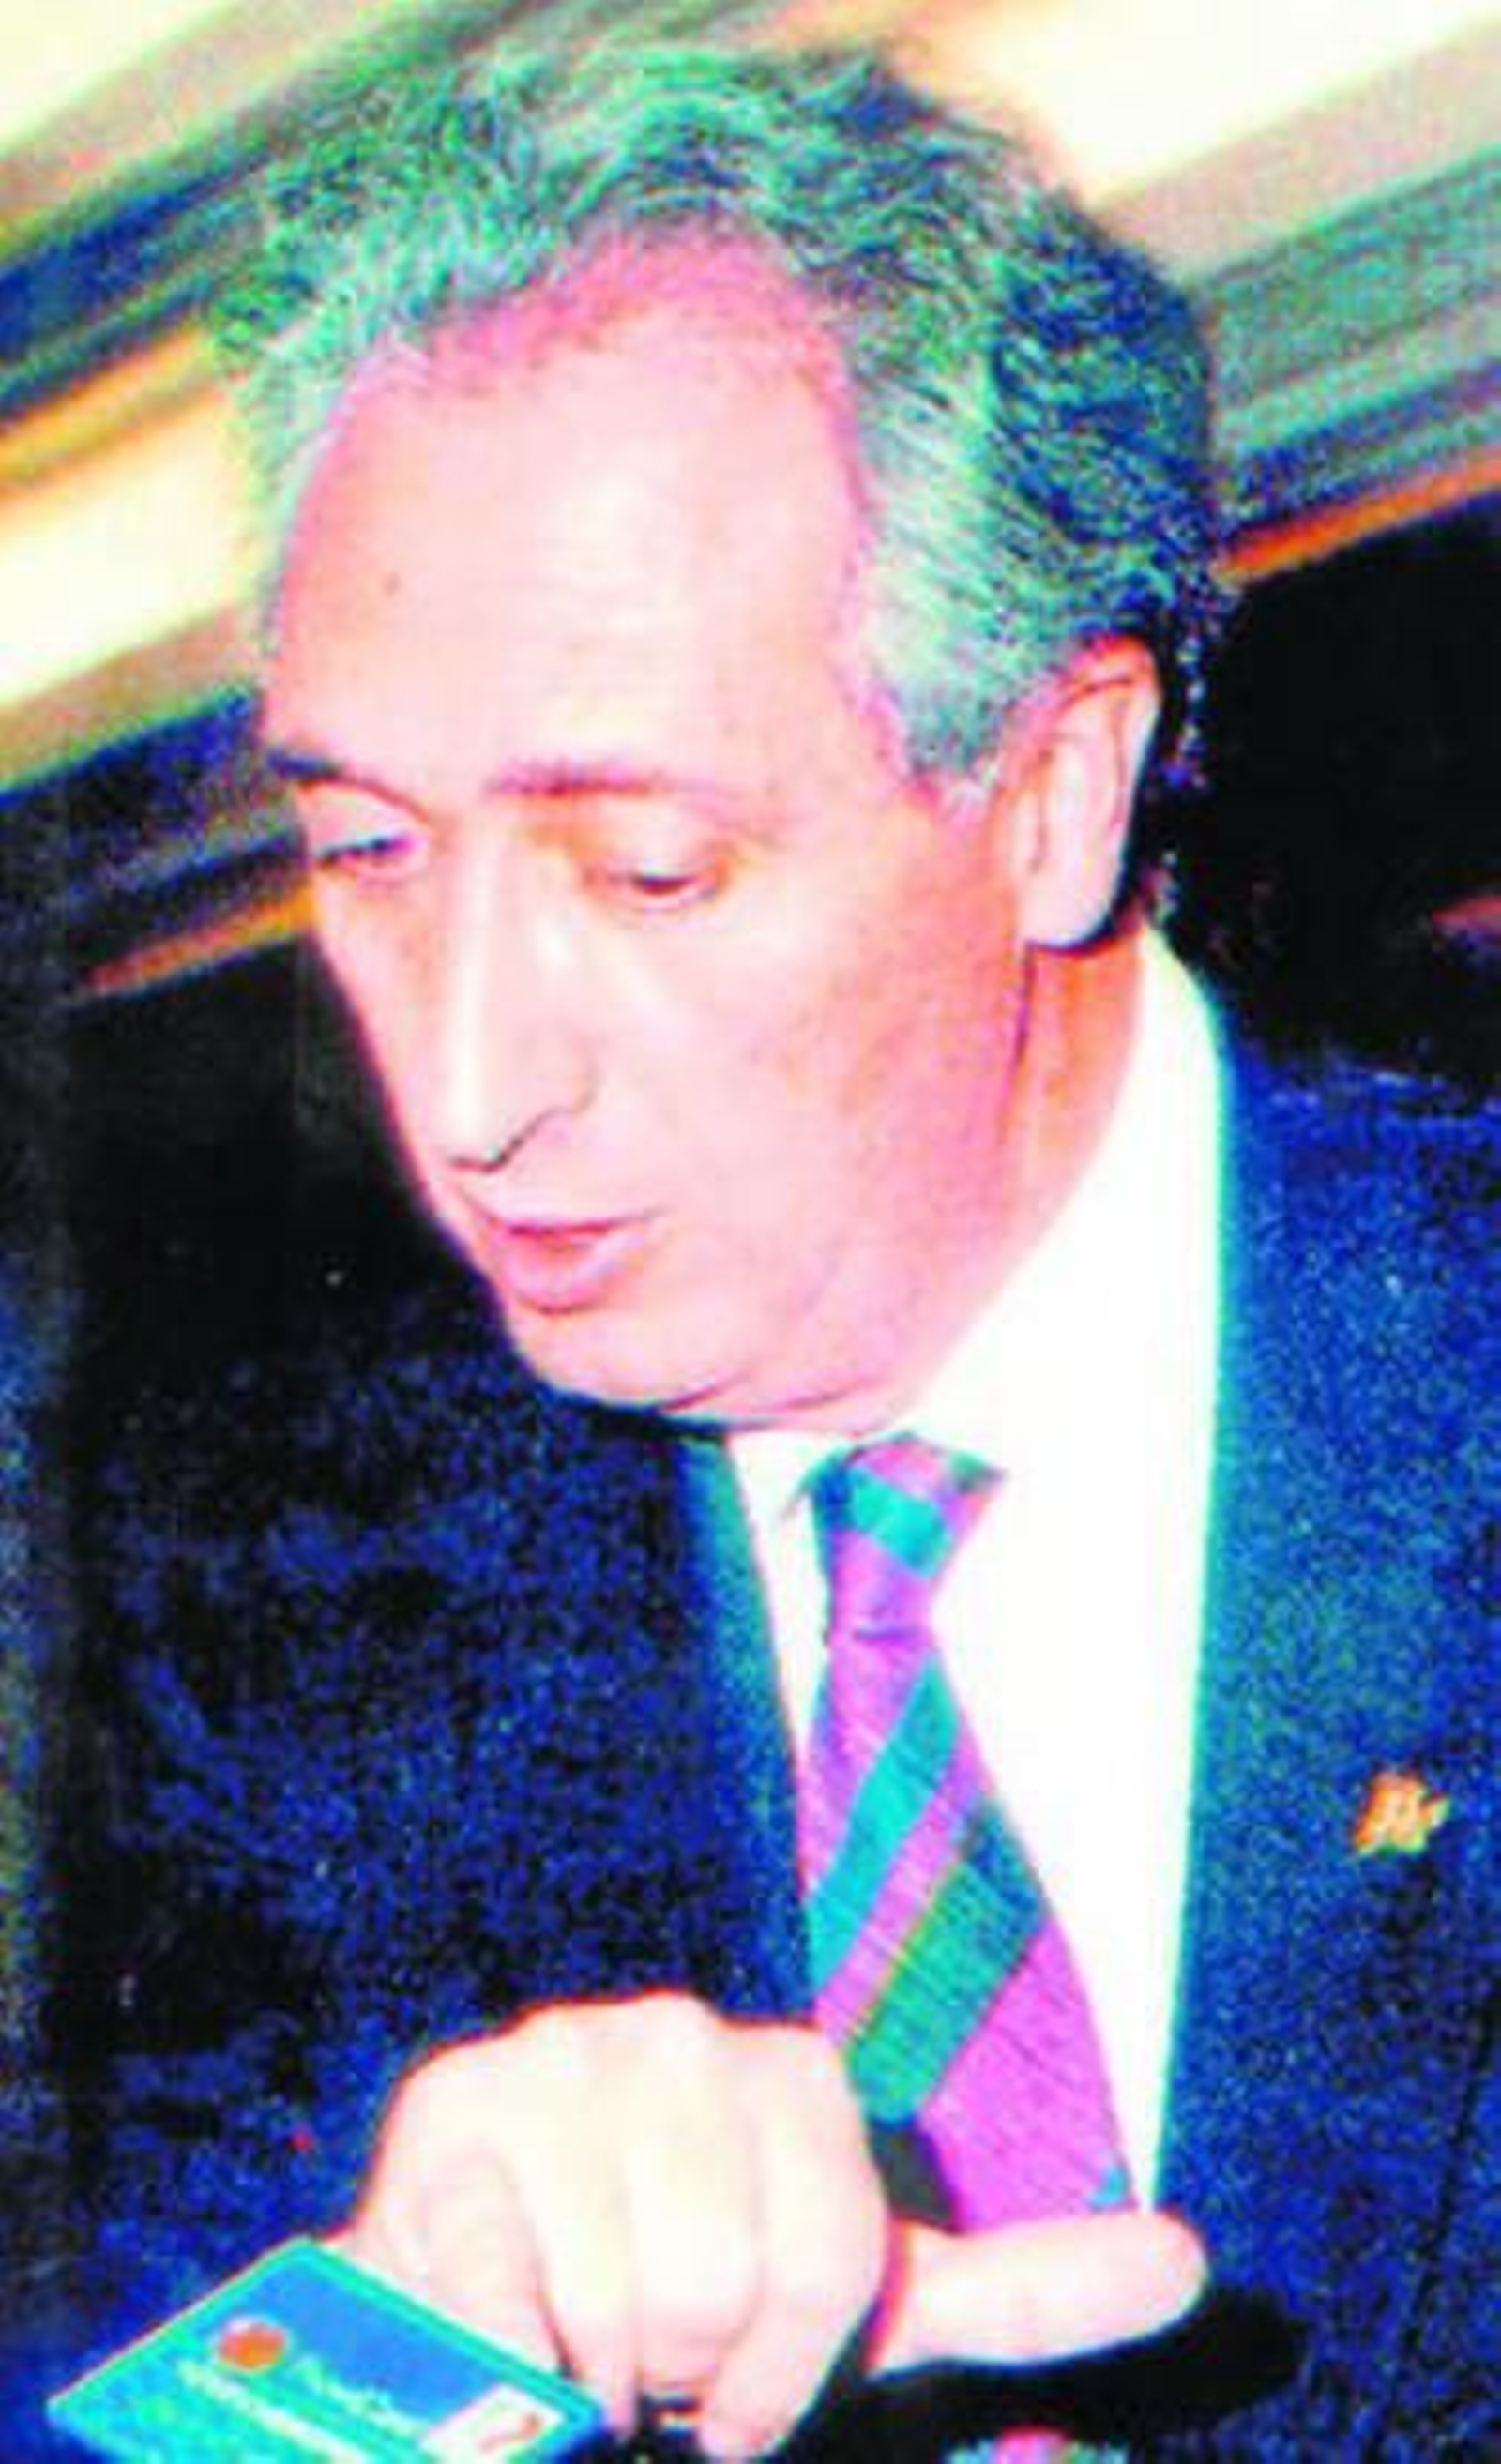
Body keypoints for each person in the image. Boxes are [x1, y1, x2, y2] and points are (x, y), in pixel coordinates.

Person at [23, 32, 1495, 2461]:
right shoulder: (264, 1616)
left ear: (1055, 790)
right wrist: (384, 2374)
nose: (468, 1088)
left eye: (650, 869)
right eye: (369, 852)